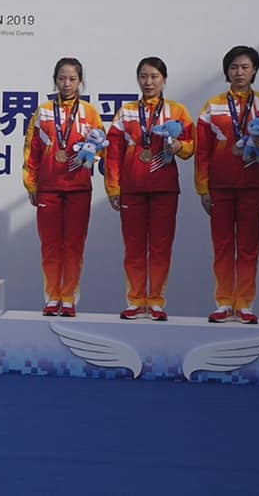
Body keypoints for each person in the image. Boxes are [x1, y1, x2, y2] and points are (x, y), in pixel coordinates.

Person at [195, 45, 259, 324]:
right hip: (220, 185)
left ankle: (245, 304)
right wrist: (203, 189)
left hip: (252, 184)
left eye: (245, 67)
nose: (239, 72)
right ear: (227, 71)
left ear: (254, 70)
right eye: (233, 67)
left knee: (248, 246)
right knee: (223, 246)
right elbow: (202, 151)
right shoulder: (212, 106)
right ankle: (224, 303)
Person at [105, 57, 195, 322]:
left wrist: (180, 147)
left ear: (164, 80)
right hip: (132, 189)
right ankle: (135, 301)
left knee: (160, 248)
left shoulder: (177, 111)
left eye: (154, 76)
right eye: (143, 76)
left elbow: (192, 144)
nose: (148, 82)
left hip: (164, 189)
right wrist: (113, 188)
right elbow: (113, 153)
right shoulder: (126, 112)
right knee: (134, 248)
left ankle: (155, 301)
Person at [22, 57, 104, 317]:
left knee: (73, 245)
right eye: (62, 78)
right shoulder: (44, 111)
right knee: (50, 245)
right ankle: (52, 297)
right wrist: (31, 183)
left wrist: (92, 153)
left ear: (80, 82)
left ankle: (68, 298)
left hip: (78, 188)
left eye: (72, 79)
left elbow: (101, 146)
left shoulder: (89, 112)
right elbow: (31, 150)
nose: (67, 84)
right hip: (48, 188)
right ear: (55, 80)